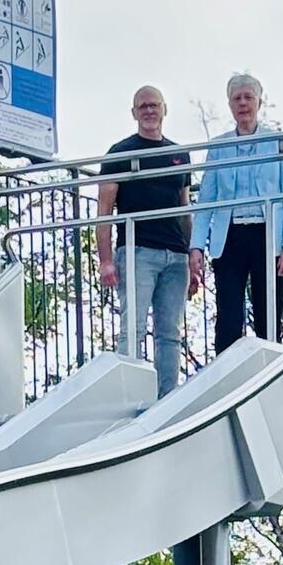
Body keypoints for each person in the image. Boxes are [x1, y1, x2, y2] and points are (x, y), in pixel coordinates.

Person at [189, 73, 283, 352]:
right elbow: (207, 201)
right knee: (228, 315)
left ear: (259, 102)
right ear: (229, 105)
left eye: (248, 97)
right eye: (237, 98)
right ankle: (227, 379)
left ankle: (271, 376)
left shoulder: (277, 141)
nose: (243, 104)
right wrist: (196, 247)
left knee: (269, 313)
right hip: (229, 236)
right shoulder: (219, 146)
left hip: (268, 236)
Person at [97, 86, 192, 397]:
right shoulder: (120, 152)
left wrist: (192, 254)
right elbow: (104, 211)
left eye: (154, 105)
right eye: (143, 106)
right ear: (134, 113)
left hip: (175, 255)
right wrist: (106, 259)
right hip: (137, 252)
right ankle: (131, 397)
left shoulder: (179, 154)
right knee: (133, 328)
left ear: (164, 109)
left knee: (170, 333)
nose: (149, 111)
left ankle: (167, 399)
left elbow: (185, 208)